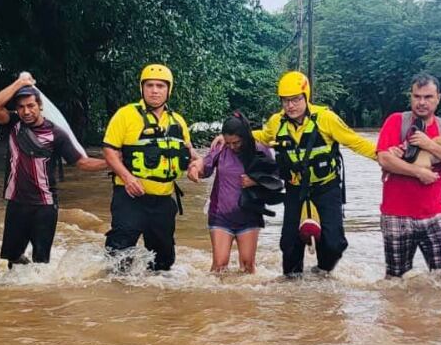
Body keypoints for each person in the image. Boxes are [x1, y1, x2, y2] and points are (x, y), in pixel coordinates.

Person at [253, 71, 378, 277]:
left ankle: (322, 272)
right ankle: (293, 290)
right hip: (295, 190)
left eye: (295, 100)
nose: (290, 106)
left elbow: (354, 141)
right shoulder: (277, 122)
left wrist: (382, 156)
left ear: (306, 97)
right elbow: (264, 137)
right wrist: (236, 136)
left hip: (326, 187)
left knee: (334, 244)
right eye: (285, 101)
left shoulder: (326, 118)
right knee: (289, 246)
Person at [0, 72, 107, 269]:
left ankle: (39, 298)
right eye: (21, 107)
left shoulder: (56, 134)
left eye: (31, 106)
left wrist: (112, 163)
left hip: (44, 206)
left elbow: (82, 163)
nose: (26, 111)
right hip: (16, 202)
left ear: (40, 106)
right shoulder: (13, 124)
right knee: (13, 259)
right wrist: (20, 82)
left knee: (41, 263)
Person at [101, 64, 200, 271]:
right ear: (142, 88)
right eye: (150, 85)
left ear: (168, 90)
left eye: (160, 86)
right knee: (119, 255)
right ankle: (116, 296)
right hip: (130, 197)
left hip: (163, 201)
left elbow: (191, 153)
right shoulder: (125, 115)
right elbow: (109, 151)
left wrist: (195, 165)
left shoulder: (178, 121)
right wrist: (128, 178)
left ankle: (158, 301)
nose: (155, 90)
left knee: (163, 262)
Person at [376, 73, 441, 277]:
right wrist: (418, 172)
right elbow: (384, 158)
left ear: (438, 98)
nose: (421, 102)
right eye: (417, 96)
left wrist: (430, 145)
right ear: (410, 97)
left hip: (435, 214)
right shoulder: (396, 122)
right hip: (396, 214)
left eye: (428, 97)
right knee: (396, 281)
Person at [188, 113, 281, 274]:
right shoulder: (221, 147)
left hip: (250, 214)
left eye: (236, 142)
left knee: (247, 266)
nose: (232, 147)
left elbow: (277, 178)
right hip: (221, 215)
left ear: (245, 137)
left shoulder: (261, 150)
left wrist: (255, 181)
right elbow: (206, 166)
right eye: (229, 142)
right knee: (219, 265)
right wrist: (195, 169)